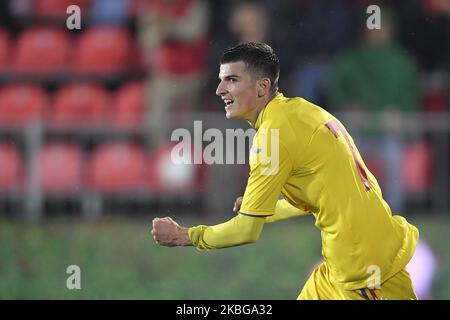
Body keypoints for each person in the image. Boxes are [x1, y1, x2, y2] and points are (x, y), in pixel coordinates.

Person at [151, 42, 419, 300]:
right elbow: (321, 195)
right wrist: (266, 209)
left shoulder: (271, 139)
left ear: (262, 87)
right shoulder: (301, 111)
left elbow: (246, 231)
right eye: (221, 80)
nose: (220, 89)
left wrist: (185, 235)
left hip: (369, 272)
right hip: (346, 265)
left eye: (232, 80)